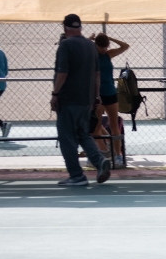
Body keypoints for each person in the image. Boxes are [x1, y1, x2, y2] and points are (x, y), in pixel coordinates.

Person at [53, 14, 110, 187]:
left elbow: (63, 72)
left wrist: (55, 94)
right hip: (86, 99)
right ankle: (99, 160)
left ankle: (76, 175)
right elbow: (97, 74)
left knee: (67, 138)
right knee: (83, 134)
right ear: (80, 27)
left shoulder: (65, 45)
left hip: (68, 99)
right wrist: (96, 97)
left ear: (65, 28)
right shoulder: (90, 46)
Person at [90, 33, 130, 166]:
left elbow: (125, 46)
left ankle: (118, 155)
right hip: (97, 95)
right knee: (96, 126)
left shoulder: (108, 54)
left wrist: (110, 38)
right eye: (100, 47)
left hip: (110, 93)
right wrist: (90, 40)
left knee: (114, 124)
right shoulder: (90, 53)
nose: (102, 50)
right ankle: (100, 153)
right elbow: (79, 47)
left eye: (105, 47)